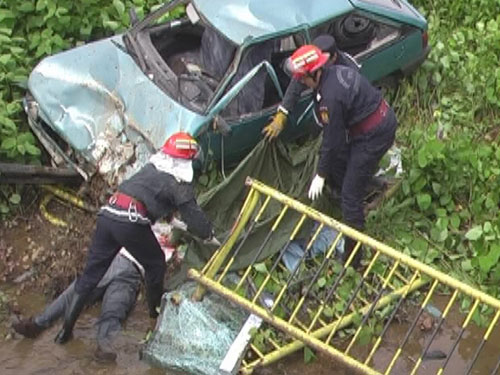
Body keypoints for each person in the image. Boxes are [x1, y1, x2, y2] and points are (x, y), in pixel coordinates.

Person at [50, 131, 217, 345]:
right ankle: (155, 313)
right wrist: (208, 234)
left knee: (90, 276)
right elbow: (195, 218)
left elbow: (149, 195)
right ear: (186, 161)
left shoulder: (152, 169)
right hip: (129, 221)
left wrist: (169, 217)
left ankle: (65, 331)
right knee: (156, 264)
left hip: (108, 213)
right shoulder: (179, 183)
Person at [288, 44, 398, 268]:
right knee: (341, 165)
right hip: (367, 125)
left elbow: (332, 139)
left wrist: (320, 174)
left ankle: (353, 258)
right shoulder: (332, 73)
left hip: (374, 134)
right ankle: (373, 186)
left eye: (303, 79)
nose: (301, 83)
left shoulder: (331, 97)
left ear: (314, 74)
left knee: (350, 195)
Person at [262, 34, 360, 140]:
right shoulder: (314, 69)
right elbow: (297, 82)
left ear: (333, 57)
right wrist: (282, 114)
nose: (303, 80)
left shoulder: (349, 74)